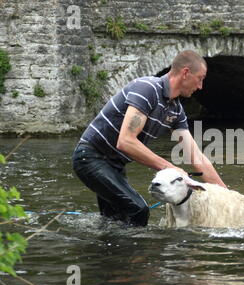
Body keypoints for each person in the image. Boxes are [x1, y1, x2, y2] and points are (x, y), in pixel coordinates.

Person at [72, 50, 226, 227]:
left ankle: (110, 253)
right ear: (185, 73)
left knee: (115, 222)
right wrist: (171, 168)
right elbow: (126, 141)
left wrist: (227, 195)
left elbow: (196, 157)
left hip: (115, 165)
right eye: (200, 78)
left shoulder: (175, 111)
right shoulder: (147, 89)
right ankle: (138, 254)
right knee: (138, 210)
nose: (201, 86)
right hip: (90, 157)